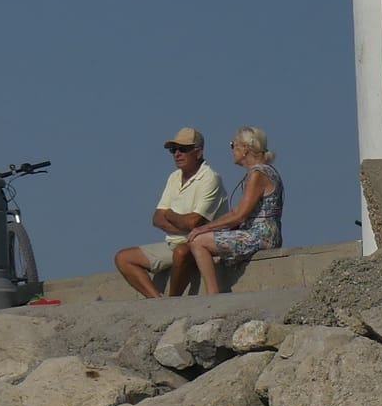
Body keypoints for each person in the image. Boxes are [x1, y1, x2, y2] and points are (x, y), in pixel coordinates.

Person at [114, 128, 226, 298]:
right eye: (174, 150)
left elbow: (193, 222)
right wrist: (181, 223)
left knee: (182, 252)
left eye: (183, 149)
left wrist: (170, 215)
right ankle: (158, 301)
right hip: (172, 243)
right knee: (123, 258)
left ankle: (173, 300)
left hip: (200, 245)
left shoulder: (210, 178)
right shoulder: (174, 177)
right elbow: (157, 218)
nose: (177, 154)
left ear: (198, 152)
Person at [186, 127, 285, 295]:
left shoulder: (258, 174)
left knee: (198, 241)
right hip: (267, 233)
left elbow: (239, 215)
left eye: (233, 145)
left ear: (246, 148)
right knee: (210, 241)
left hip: (260, 236)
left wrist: (203, 228)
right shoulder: (264, 171)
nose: (232, 150)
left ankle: (212, 295)